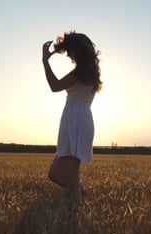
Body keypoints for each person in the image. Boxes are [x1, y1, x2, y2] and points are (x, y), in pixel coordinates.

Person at [42, 31, 102, 199]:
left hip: (76, 120)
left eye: (69, 51)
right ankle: (80, 191)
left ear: (78, 50)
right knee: (54, 174)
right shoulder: (89, 73)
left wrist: (45, 61)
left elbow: (55, 86)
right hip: (75, 118)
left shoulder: (80, 73)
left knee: (71, 174)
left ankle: (72, 212)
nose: (68, 55)